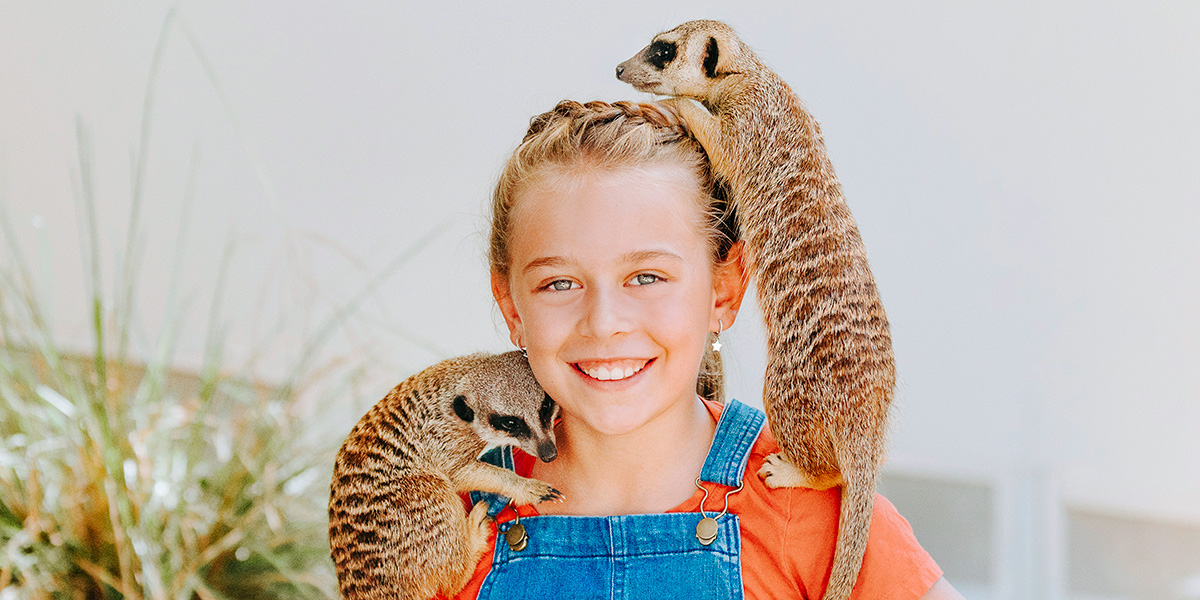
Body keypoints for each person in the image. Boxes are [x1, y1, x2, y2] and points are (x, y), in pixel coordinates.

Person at [451, 99, 964, 599]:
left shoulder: (810, 511)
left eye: (647, 277)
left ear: (724, 290)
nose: (605, 323)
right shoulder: (450, 525)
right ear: (512, 307)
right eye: (560, 283)